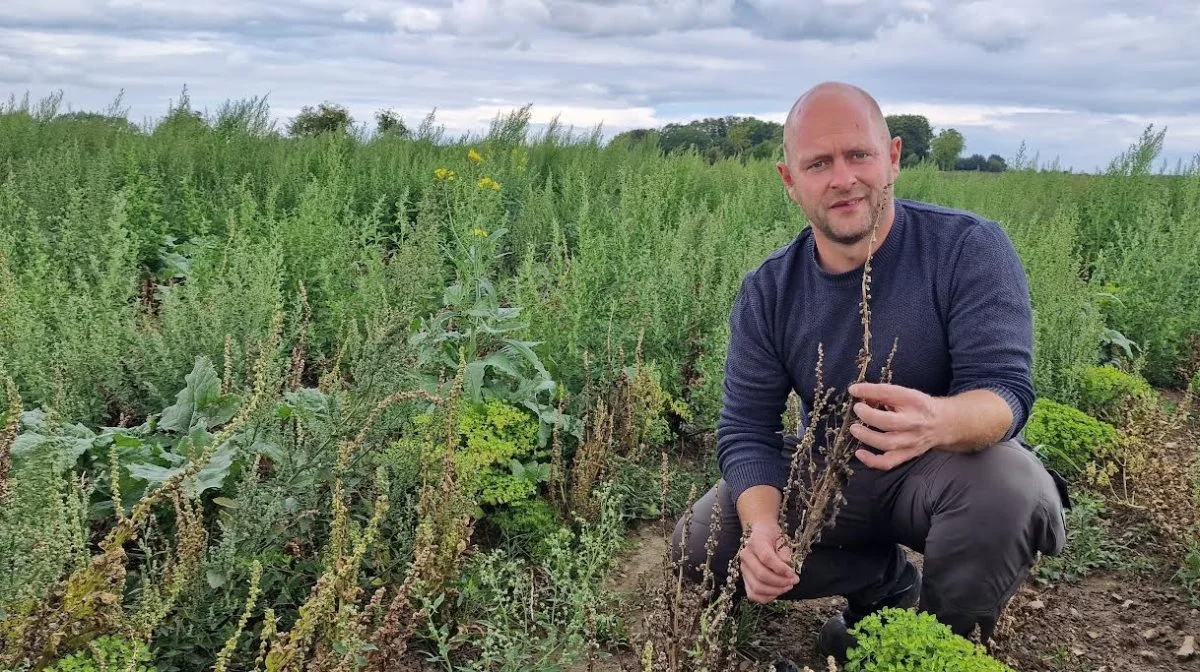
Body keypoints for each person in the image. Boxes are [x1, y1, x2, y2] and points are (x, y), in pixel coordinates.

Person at [670, 81, 1069, 663]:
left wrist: (937, 420)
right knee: (703, 541)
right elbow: (746, 429)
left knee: (1013, 490)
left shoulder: (966, 248)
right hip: (833, 471)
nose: (843, 177)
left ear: (894, 159)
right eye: (819, 163)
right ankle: (882, 589)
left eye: (859, 154)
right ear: (790, 181)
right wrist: (762, 529)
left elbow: (1006, 391)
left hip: (947, 471)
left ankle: (935, 648)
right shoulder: (770, 289)